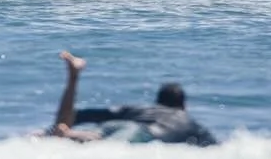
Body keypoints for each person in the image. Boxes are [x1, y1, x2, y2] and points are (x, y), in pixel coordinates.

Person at [48, 51, 217, 146]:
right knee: (107, 146)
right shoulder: (189, 122)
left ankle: (74, 77)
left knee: (89, 135)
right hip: (142, 133)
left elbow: (76, 116)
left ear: (158, 102)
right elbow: (217, 150)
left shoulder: (140, 110)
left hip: (118, 125)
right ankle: (71, 134)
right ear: (184, 105)